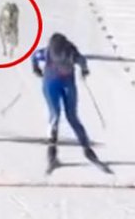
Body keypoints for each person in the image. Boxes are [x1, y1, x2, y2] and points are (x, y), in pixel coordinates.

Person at [32, 32, 102, 170]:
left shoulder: (72, 52)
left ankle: (87, 149)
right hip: (51, 83)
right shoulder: (47, 52)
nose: (61, 63)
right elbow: (34, 56)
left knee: (72, 116)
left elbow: (82, 61)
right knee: (55, 116)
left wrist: (84, 70)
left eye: (63, 62)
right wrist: (36, 69)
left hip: (66, 83)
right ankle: (52, 153)